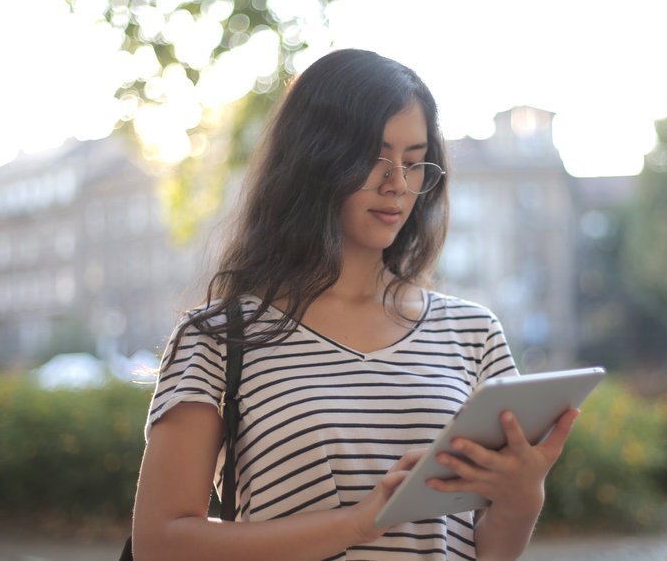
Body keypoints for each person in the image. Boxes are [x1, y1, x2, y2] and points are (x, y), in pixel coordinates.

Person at [131, 48, 580, 561]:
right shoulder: (217, 338)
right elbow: (160, 544)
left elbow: (488, 552)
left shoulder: (472, 332)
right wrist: (358, 523)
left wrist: (524, 496)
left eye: (414, 162)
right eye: (374, 158)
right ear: (313, 159)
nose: (397, 184)